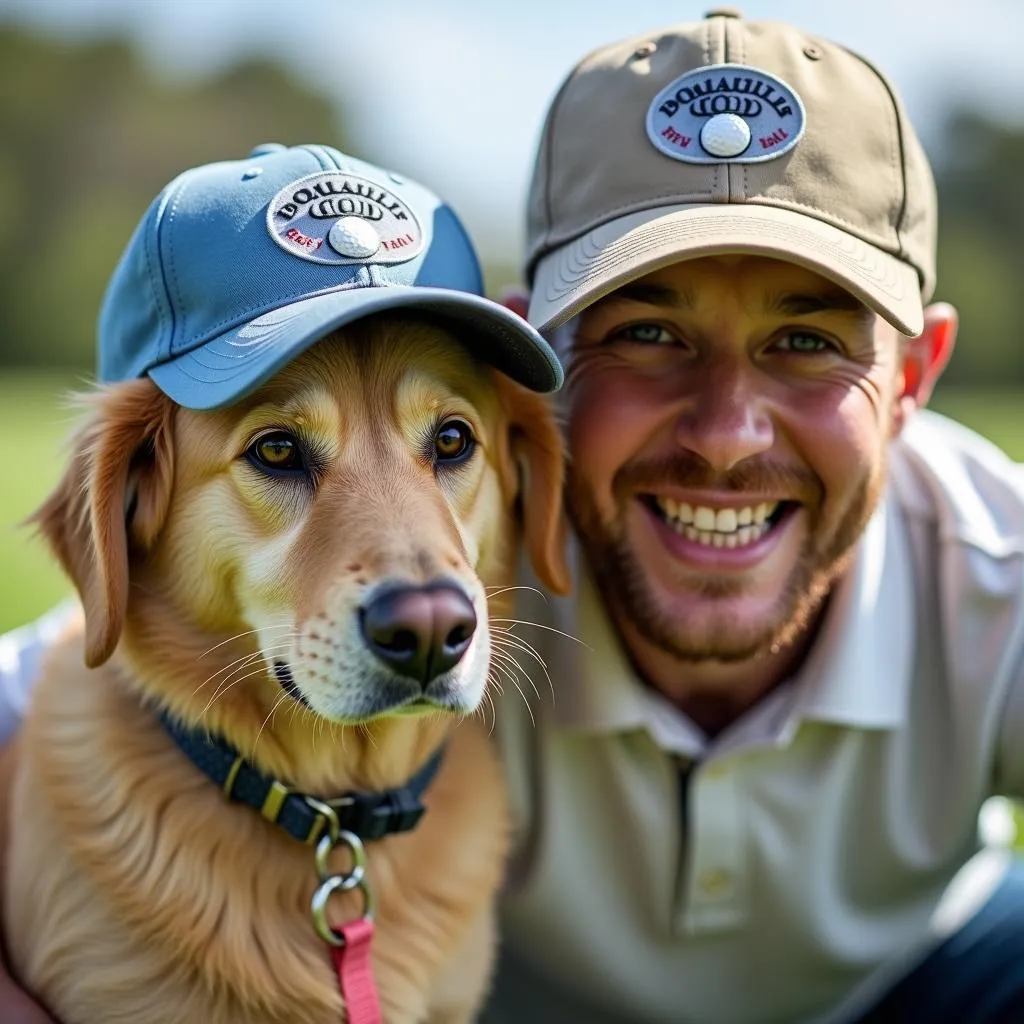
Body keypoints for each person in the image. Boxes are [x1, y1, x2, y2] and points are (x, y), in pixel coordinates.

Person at [3, 10, 1024, 1023]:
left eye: (806, 342)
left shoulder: (995, 567)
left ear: (914, 377)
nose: (724, 436)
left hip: (923, 976)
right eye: (650, 332)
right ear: (539, 363)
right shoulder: (509, 532)